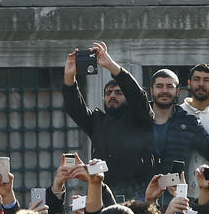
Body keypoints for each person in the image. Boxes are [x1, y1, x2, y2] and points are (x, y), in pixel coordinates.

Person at [62, 42, 155, 197]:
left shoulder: (141, 117)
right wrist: (69, 76)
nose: (112, 95)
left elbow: (136, 95)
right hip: (105, 191)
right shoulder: (97, 121)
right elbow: (74, 108)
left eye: (118, 92)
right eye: (108, 92)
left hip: (138, 192)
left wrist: (111, 66)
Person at [148, 69, 209, 176]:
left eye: (169, 86)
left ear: (177, 91)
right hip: (142, 190)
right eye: (159, 86)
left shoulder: (189, 123)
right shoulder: (138, 120)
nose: (164, 91)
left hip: (176, 190)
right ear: (151, 90)